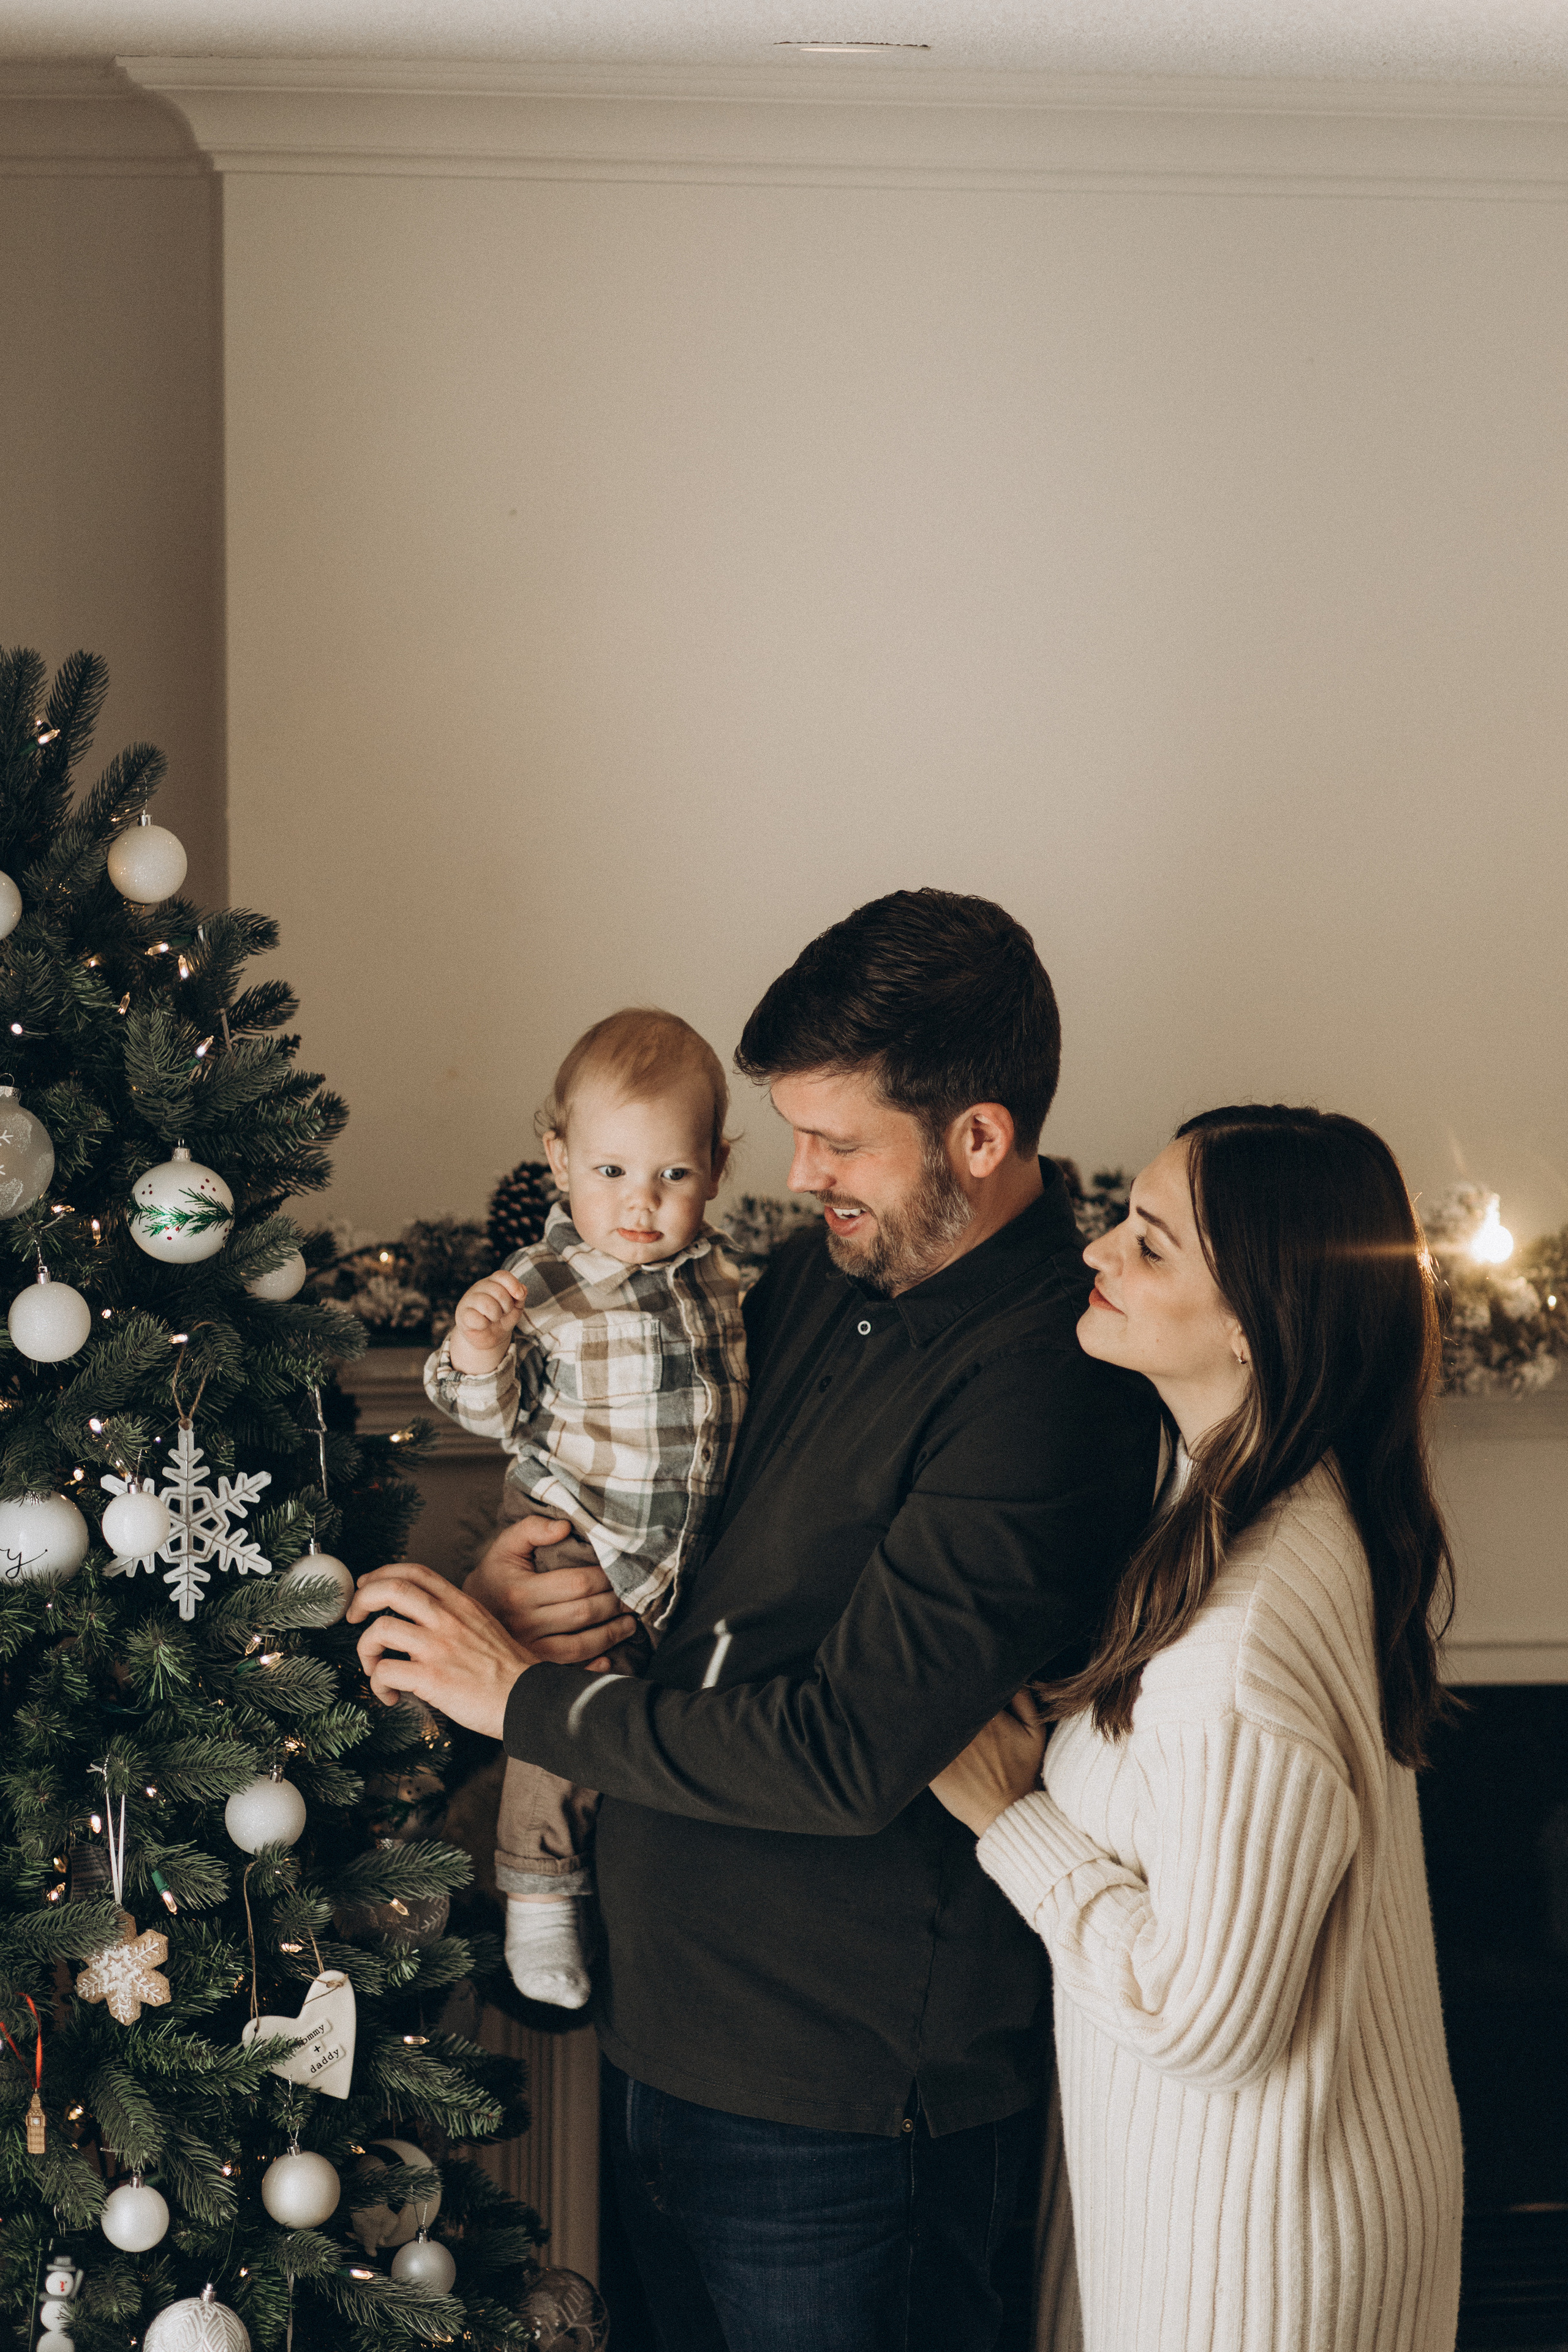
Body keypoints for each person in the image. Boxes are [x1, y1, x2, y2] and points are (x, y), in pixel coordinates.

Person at [349, 888, 1161, 2352]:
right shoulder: (810, 1278)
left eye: (841, 1141)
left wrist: (513, 1699)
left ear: (978, 1137)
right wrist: (519, 1596)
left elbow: (847, 1750)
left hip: (849, 2115)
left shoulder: (1047, 1380)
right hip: (670, 2043)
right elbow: (662, 1533)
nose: (795, 1172)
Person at [929, 1104, 1464, 2352]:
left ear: (1252, 1318)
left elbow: (1205, 2019)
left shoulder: (1244, 1629)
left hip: (1260, 2261)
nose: (1098, 1254)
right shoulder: (1246, 1501)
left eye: (1150, 1245)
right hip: (1252, 2210)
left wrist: (1012, 1819)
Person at [424, 1007, 748, 2008]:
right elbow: (481, 1406)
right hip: (572, 1531)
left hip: (674, 1548)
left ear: (716, 1169)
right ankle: (538, 1893)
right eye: (610, 1173)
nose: (641, 1205)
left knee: (639, 1724)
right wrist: (477, 1349)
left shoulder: (723, 1275)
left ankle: (612, 1892)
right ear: (558, 1161)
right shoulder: (542, 1283)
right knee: (564, 1702)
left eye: (673, 1177)